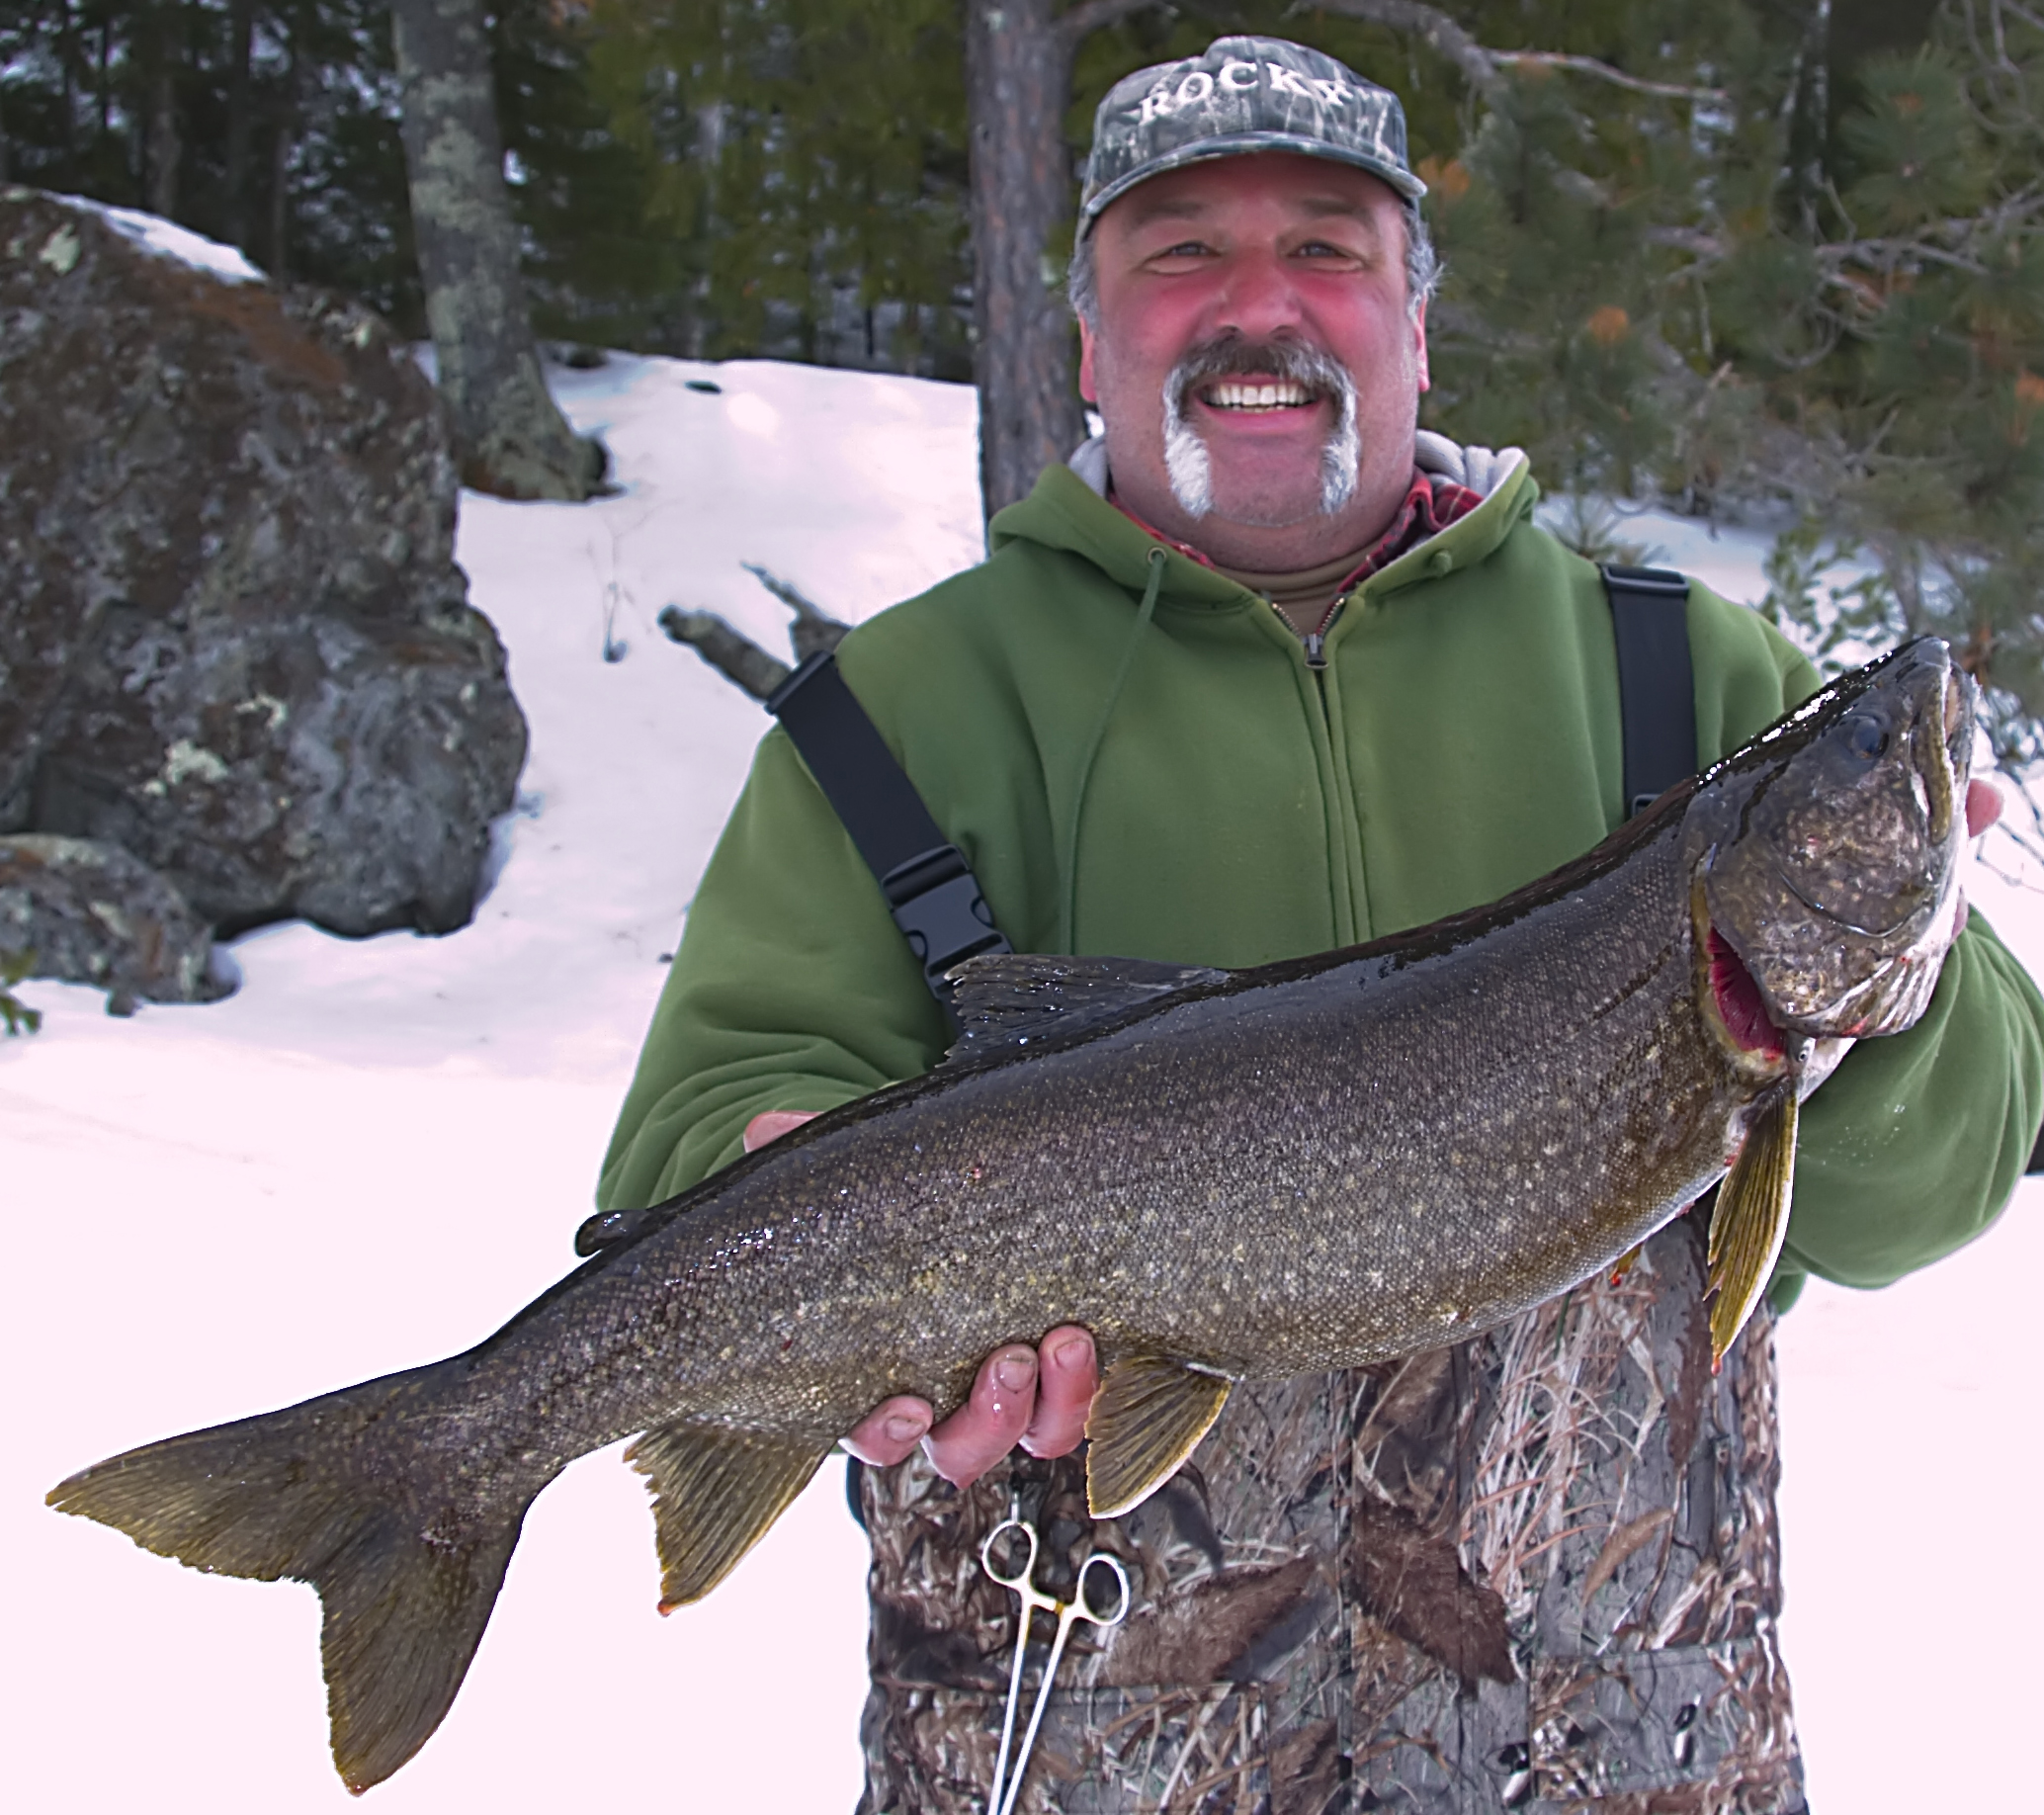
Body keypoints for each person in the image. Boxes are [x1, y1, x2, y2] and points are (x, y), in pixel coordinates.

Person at [599, 37, 2044, 1813]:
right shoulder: (896, 719)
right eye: (1181, 252)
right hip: (1074, 1746)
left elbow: (1935, 1194)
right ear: (1087, 342)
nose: (1257, 307)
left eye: (1330, 251)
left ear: (1416, 331)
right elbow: (696, 1139)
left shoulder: (1692, 684)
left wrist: (1894, 1003)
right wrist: (801, 1224)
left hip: (1623, 1756)